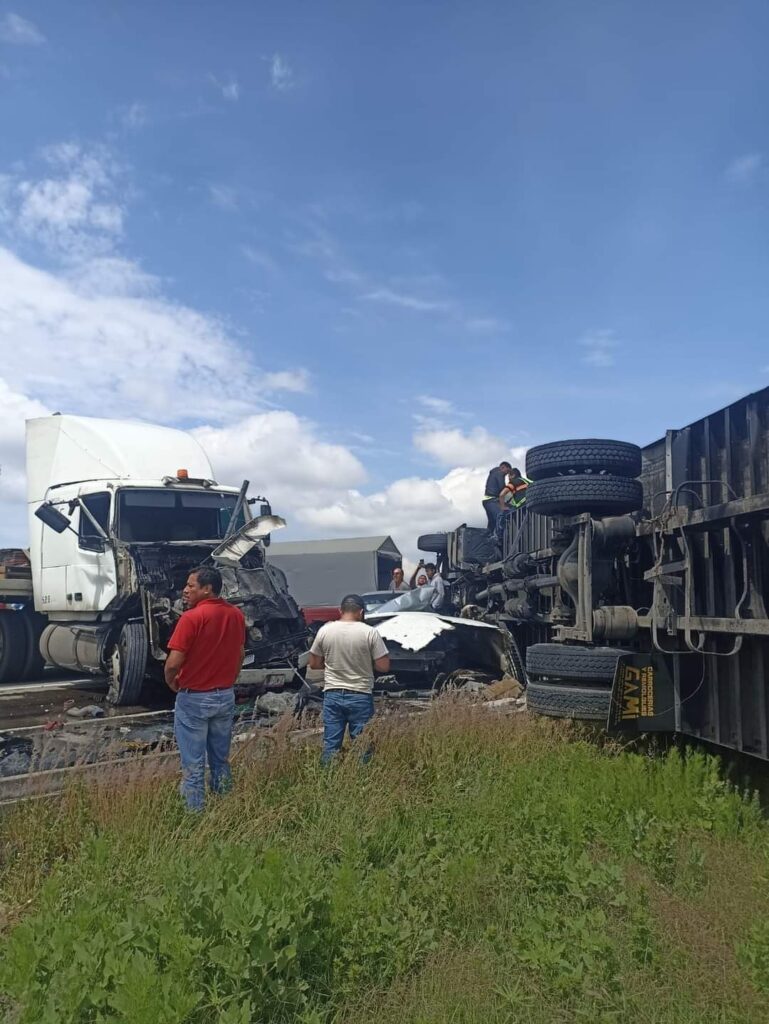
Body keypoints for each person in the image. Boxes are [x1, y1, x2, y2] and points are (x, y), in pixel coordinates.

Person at [164, 566, 246, 812]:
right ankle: (224, 808)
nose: (185, 590)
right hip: (224, 695)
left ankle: (194, 816)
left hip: (195, 699)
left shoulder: (191, 618)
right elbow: (240, 654)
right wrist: (231, 677)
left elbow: (173, 663)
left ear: (207, 589)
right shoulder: (236, 615)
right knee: (220, 759)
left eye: (191, 585)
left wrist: (172, 682)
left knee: (193, 765)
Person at [308, 594, 390, 762]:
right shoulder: (370, 633)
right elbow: (384, 666)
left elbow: (314, 663)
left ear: (340, 611)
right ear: (360, 612)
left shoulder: (325, 630)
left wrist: (332, 664)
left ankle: (327, 781)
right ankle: (362, 782)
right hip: (360, 694)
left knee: (331, 745)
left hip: (332, 694)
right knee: (362, 745)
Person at [482, 461, 513, 532]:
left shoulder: (494, 473)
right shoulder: (499, 473)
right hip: (492, 501)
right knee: (499, 519)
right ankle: (499, 538)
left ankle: (490, 538)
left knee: (492, 522)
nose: (507, 474)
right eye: (507, 471)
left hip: (487, 501)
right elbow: (502, 488)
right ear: (503, 467)